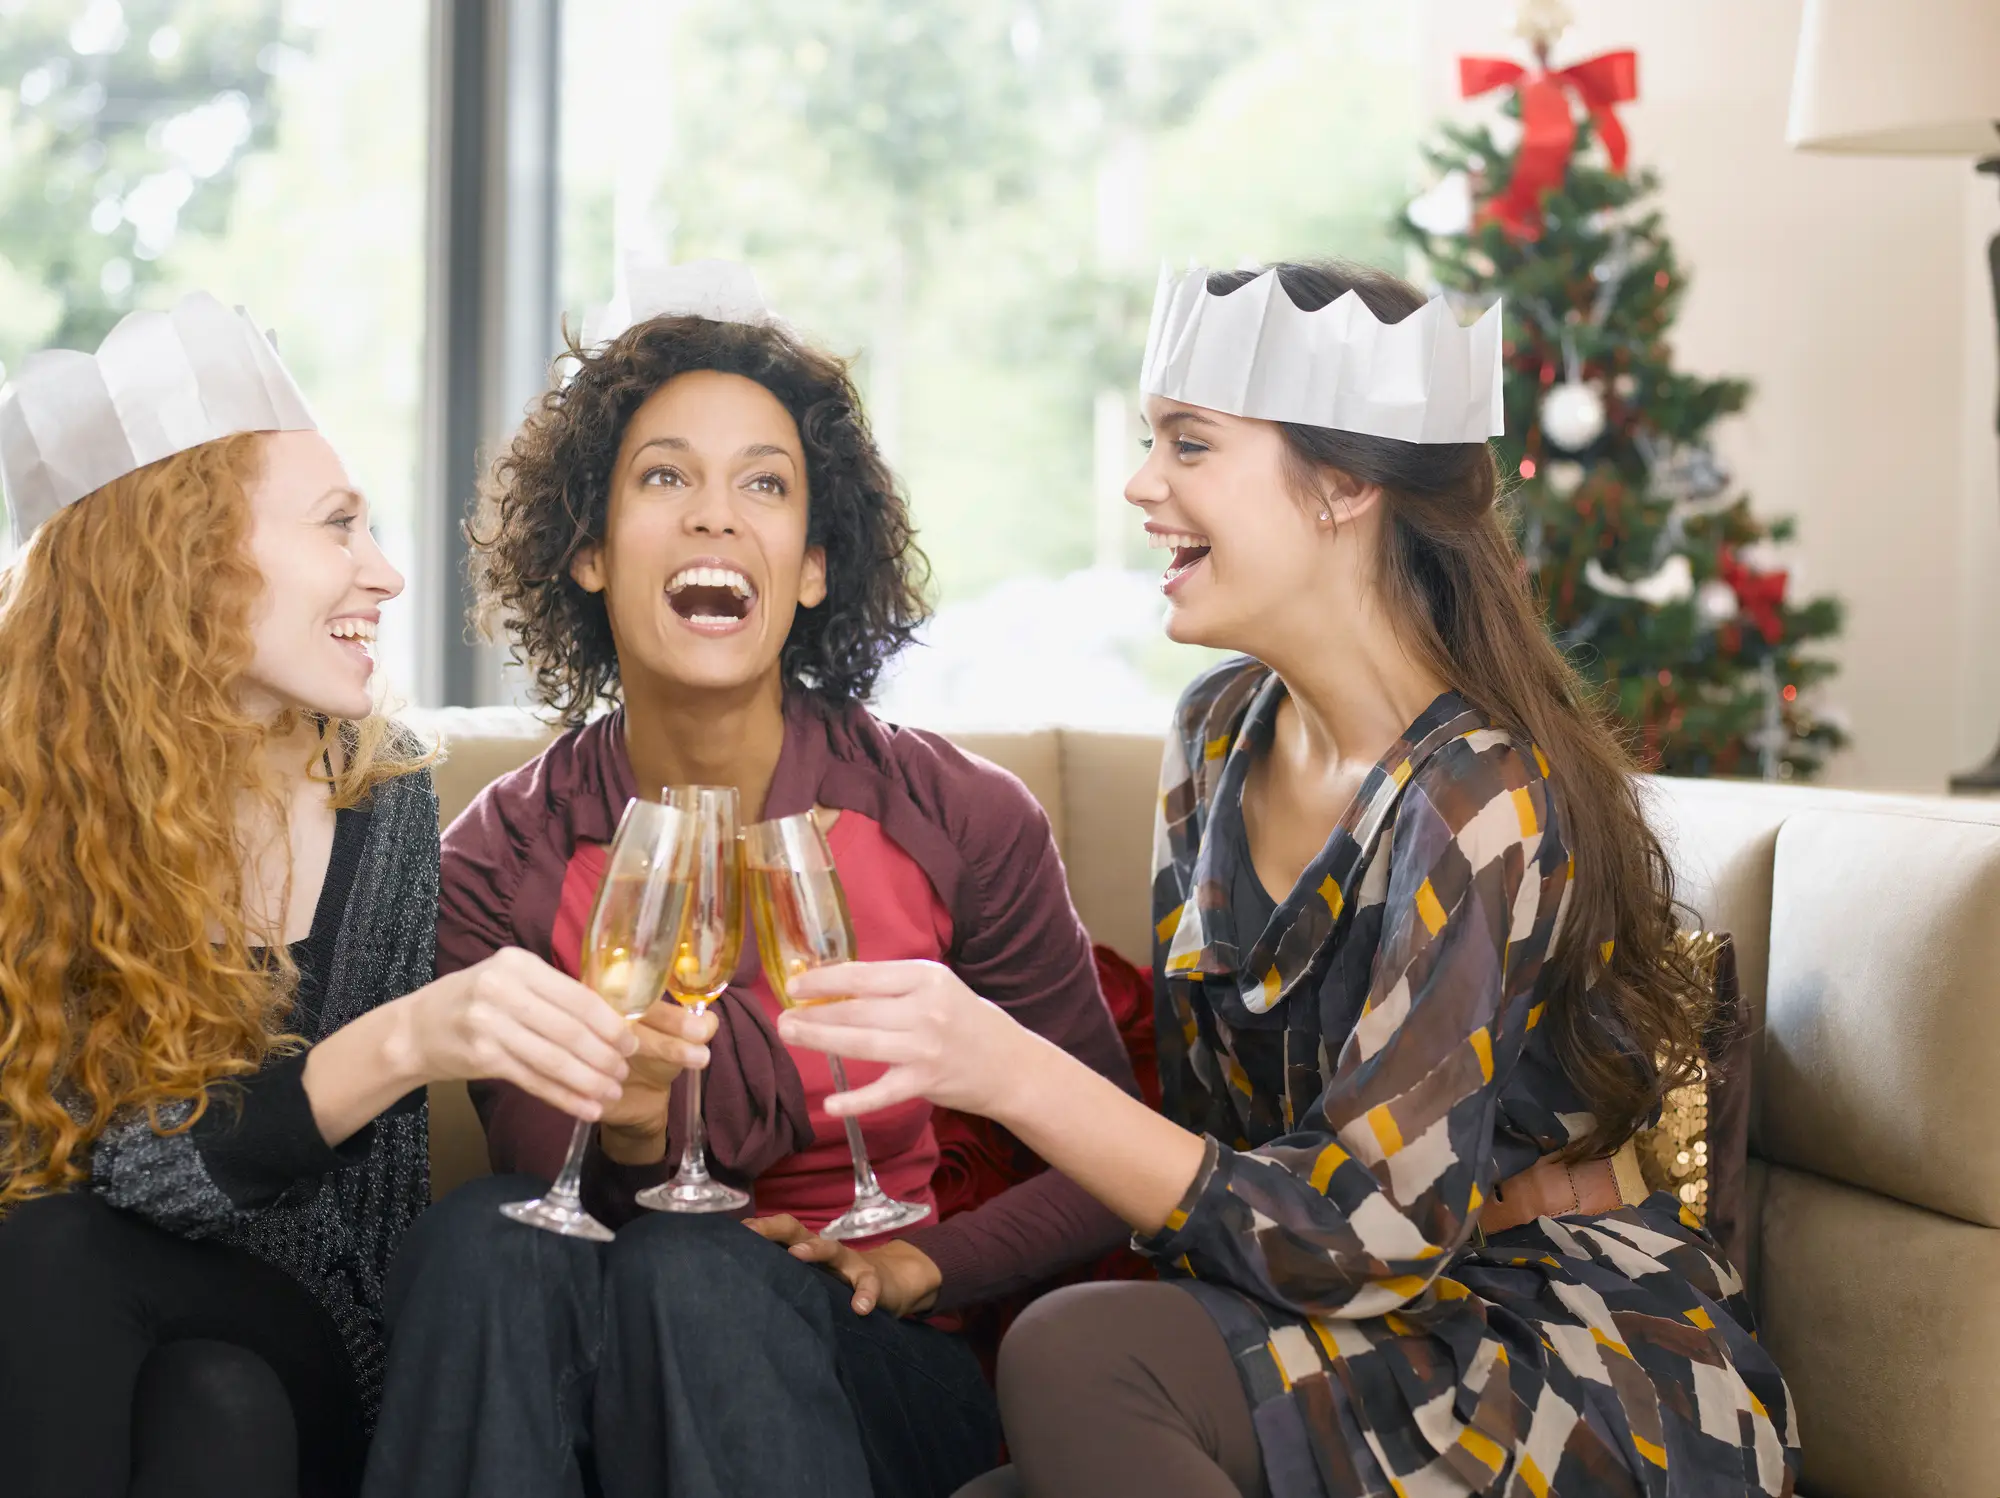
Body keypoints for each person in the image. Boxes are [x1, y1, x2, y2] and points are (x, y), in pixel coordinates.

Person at [775, 261, 1801, 1498]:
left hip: (1568, 1352)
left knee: (1076, 1357)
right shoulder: (1213, 737)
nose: (1140, 483)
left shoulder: (1478, 799)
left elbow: (1368, 1232)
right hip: (1358, 1334)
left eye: (1189, 444)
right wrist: (934, 1259)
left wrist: (1001, 1063)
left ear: (1346, 485)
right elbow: (1220, 1161)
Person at [361, 261, 1138, 1498]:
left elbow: (1112, 1156)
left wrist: (923, 1266)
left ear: (814, 566)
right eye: (664, 476)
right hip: (570, 1353)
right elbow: (533, 1165)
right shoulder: (498, 854)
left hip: (865, 1363)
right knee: (485, 1236)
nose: (714, 515)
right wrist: (619, 1120)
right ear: (589, 556)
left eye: (763, 484)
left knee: (695, 1262)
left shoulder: (958, 817)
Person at [0, 295, 640, 1498]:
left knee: (70, 1259)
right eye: (340, 526)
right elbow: (111, 1172)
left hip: (313, 1334)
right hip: (79, 1347)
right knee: (208, 1408)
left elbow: (331, 1231)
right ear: (181, 557)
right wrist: (403, 1037)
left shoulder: (380, 796)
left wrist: (398, 1045)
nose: (386, 573)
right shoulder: (28, 806)